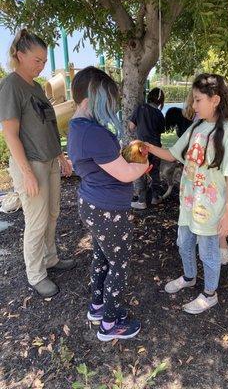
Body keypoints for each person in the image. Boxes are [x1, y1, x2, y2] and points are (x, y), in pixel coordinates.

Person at [146, 74, 228, 314]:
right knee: (184, 243)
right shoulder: (197, 126)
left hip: (210, 208)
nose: (193, 105)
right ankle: (189, 277)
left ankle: (210, 294)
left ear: (215, 100)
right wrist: (147, 147)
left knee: (208, 252)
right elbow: (172, 154)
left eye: (198, 100)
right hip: (189, 203)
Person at [67, 66, 149, 341]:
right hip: (109, 209)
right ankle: (110, 325)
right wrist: (144, 164)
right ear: (92, 100)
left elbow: (103, 164)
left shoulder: (77, 127)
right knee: (119, 263)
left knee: (102, 256)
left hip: (92, 203)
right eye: (108, 101)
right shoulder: (94, 132)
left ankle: (98, 306)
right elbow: (126, 173)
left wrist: (126, 157)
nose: (112, 107)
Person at [0, 29, 75, 298]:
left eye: (44, 61)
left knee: (52, 214)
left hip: (50, 161)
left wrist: (62, 157)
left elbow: (49, 126)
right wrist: (26, 173)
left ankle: (50, 258)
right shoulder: (11, 85)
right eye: (36, 60)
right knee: (36, 221)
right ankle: (36, 274)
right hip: (30, 165)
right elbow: (10, 134)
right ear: (20, 55)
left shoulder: (36, 88)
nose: (41, 65)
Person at [128, 88, 165, 210]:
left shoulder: (140, 108)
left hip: (141, 147)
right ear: (160, 101)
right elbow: (160, 131)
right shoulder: (159, 114)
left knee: (140, 173)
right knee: (155, 172)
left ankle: (141, 201)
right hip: (155, 148)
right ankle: (155, 197)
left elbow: (131, 127)